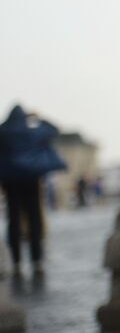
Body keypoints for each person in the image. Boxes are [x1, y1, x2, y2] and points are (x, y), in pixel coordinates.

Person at [0, 105, 65, 278]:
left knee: (13, 218)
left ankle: (16, 261)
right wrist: (38, 117)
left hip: (9, 179)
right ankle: (36, 260)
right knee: (34, 215)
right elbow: (54, 129)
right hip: (31, 177)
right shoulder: (32, 132)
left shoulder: (3, 132)